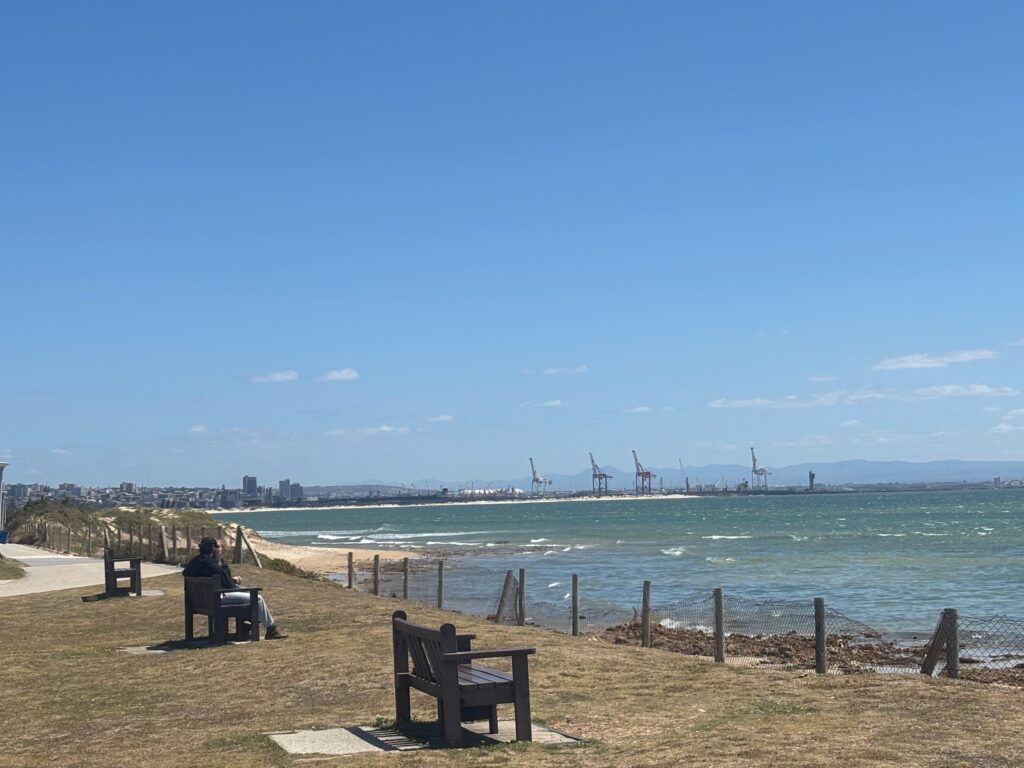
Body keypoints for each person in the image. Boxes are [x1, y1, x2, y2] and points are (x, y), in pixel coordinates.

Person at [183, 536, 287, 640]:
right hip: (218, 599)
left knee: (247, 594)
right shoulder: (211, 564)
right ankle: (270, 629)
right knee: (257, 598)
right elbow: (229, 586)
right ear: (212, 548)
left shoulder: (196, 561)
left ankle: (246, 625)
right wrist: (234, 580)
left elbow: (186, 572)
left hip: (201, 601)